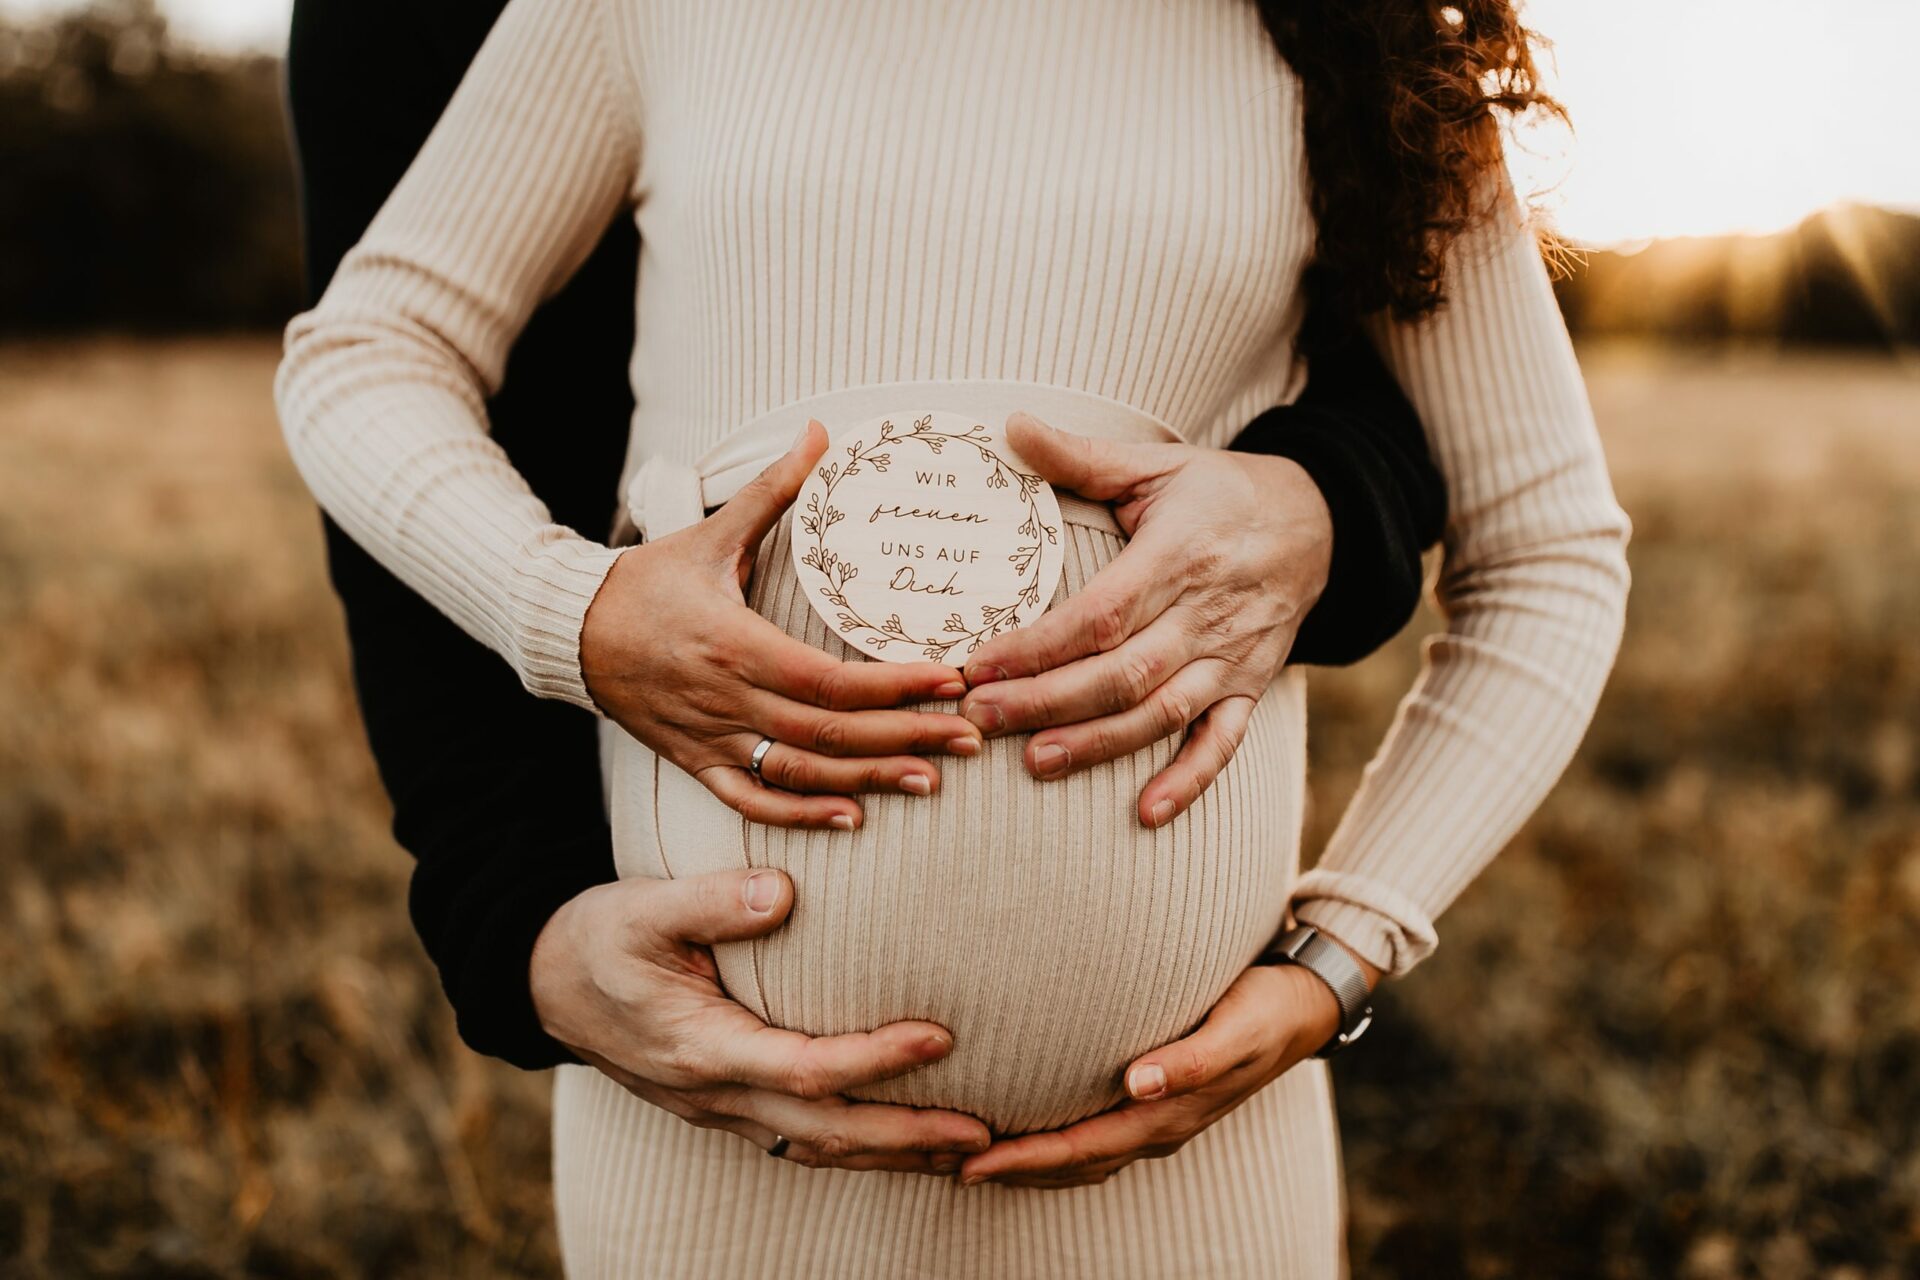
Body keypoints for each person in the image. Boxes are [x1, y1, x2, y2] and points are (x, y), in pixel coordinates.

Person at [277, 1, 1629, 1275]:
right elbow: (370, 353)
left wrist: (1345, 953)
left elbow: (1550, 547)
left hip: (1200, 1174)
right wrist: (569, 609)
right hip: (709, 1156)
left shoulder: (1363, 36)